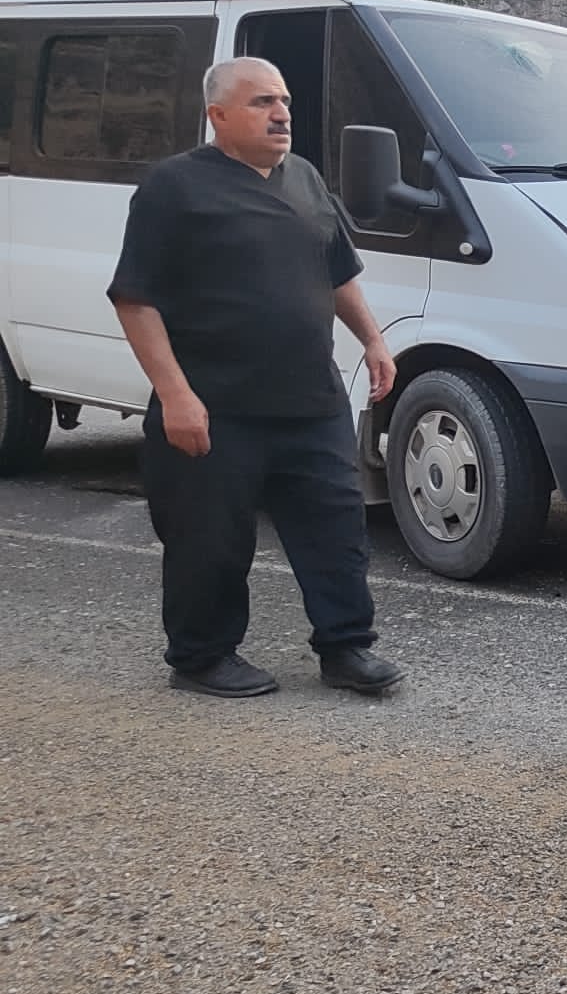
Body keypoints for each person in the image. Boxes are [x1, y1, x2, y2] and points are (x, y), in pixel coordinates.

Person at [107, 58, 405, 700]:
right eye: (262, 102)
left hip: (311, 400)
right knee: (209, 542)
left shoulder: (304, 179)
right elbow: (135, 299)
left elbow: (337, 273)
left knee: (337, 531)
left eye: (285, 100)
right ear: (218, 116)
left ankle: (346, 647)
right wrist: (175, 395)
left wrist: (374, 340)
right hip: (215, 407)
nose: (281, 113)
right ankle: (201, 657)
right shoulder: (174, 188)